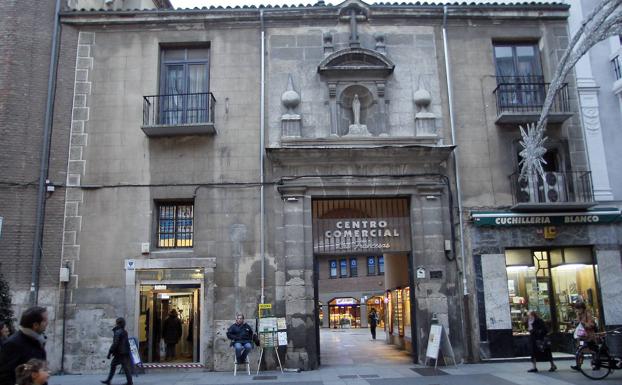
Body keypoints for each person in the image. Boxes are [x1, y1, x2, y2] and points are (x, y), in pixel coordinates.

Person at [0, 306, 48, 385]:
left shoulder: (37, 340)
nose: (47, 323)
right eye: (45, 320)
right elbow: (5, 377)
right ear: (35, 325)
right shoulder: (13, 344)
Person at [101, 317, 132, 385]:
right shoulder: (124, 332)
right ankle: (129, 381)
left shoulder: (118, 332)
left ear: (118, 323)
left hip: (120, 353)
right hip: (124, 352)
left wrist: (110, 352)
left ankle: (109, 380)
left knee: (116, 365)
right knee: (123, 366)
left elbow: (115, 343)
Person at [571, 301, 597, 370]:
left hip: (589, 336)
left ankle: (595, 364)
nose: (577, 310)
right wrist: (575, 322)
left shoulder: (588, 314)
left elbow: (591, 325)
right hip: (581, 336)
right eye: (576, 309)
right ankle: (578, 365)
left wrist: (582, 323)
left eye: (578, 309)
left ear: (582, 308)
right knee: (580, 349)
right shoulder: (578, 314)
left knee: (592, 350)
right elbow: (578, 323)